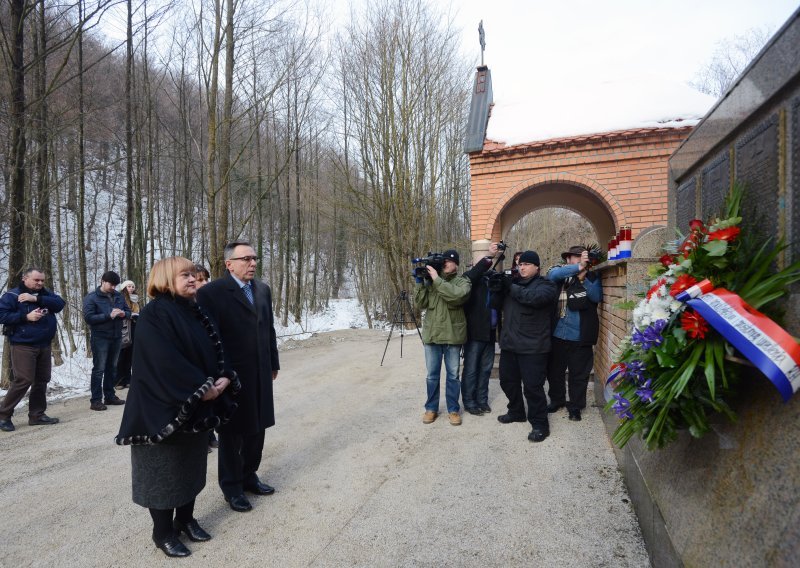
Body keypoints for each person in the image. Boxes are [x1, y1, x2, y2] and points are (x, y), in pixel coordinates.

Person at [116, 257, 239, 558]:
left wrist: (223, 378)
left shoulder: (196, 311)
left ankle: (185, 519)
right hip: (162, 408)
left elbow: (217, 347)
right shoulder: (155, 313)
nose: (193, 279)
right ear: (165, 278)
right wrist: (202, 389)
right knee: (163, 473)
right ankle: (162, 532)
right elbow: (163, 361)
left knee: (190, 466)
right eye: (184, 275)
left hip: (195, 405)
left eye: (194, 275)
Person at [197, 241, 280, 513]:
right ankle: (231, 487)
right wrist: (224, 373)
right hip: (232, 375)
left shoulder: (263, 290)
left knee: (258, 426)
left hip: (261, 370)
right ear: (229, 263)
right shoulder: (212, 293)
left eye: (255, 258)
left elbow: (269, 329)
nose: (253, 263)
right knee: (233, 433)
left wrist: (273, 362)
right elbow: (212, 338)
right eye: (246, 259)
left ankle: (249, 475)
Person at [490, 250, 558, 442]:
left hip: (533, 347)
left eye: (526, 264)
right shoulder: (514, 285)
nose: (522, 267)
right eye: (520, 264)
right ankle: (516, 411)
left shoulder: (546, 285)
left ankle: (539, 424)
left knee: (532, 387)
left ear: (537, 267)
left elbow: (533, 299)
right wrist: (496, 289)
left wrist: (509, 286)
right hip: (510, 344)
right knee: (507, 381)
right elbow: (496, 305)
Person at [0, 268, 65, 432]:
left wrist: (36, 298)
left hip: (44, 344)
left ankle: (36, 415)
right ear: (25, 278)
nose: (40, 283)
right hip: (23, 344)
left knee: (42, 379)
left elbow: (60, 304)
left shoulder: (45, 294)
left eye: (42, 280)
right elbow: (2, 315)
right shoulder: (12, 296)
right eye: (36, 280)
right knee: (24, 379)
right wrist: (25, 317)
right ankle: (3, 415)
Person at [413, 249, 471, 426]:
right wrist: (420, 282)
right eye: (443, 261)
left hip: (453, 336)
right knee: (432, 375)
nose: (445, 263)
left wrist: (437, 279)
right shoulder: (431, 282)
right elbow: (421, 304)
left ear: (457, 264)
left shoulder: (463, 281)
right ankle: (431, 408)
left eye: (449, 261)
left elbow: (456, 296)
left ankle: (453, 409)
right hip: (432, 336)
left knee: (453, 376)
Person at [546, 246, 603, 421]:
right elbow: (552, 275)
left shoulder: (592, 277)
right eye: (574, 257)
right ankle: (557, 400)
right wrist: (578, 269)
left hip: (580, 336)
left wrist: (583, 279)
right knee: (555, 372)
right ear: (568, 259)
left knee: (578, 374)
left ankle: (576, 406)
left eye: (581, 257)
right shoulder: (559, 275)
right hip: (557, 334)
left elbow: (596, 297)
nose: (578, 260)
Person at [461, 243, 501, 415]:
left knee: (486, 369)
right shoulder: (469, 279)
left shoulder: (490, 281)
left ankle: (482, 400)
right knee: (471, 370)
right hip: (474, 333)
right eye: (481, 264)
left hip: (490, 333)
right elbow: (475, 272)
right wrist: (489, 257)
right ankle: (469, 402)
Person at [83, 271, 130, 411]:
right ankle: (95, 400)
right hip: (100, 337)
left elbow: (128, 311)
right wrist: (108, 316)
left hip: (117, 336)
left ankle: (109, 396)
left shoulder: (119, 296)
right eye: (111, 284)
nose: (113, 287)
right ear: (102, 281)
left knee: (112, 367)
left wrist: (123, 314)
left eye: (116, 285)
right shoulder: (91, 298)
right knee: (99, 369)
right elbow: (88, 318)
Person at [194, 264, 218, 451]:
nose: (204, 283)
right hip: (195, 358)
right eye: (200, 279)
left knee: (212, 397)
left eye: (206, 279)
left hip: (211, 356)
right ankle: (201, 437)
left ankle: (210, 433)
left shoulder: (210, 300)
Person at [115, 280, 140, 390]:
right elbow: (119, 312)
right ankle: (119, 381)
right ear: (124, 288)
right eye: (129, 286)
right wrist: (129, 315)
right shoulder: (119, 298)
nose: (131, 288)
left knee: (131, 355)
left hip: (134, 327)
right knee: (121, 355)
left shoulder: (135, 299)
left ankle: (129, 379)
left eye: (133, 286)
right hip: (123, 328)